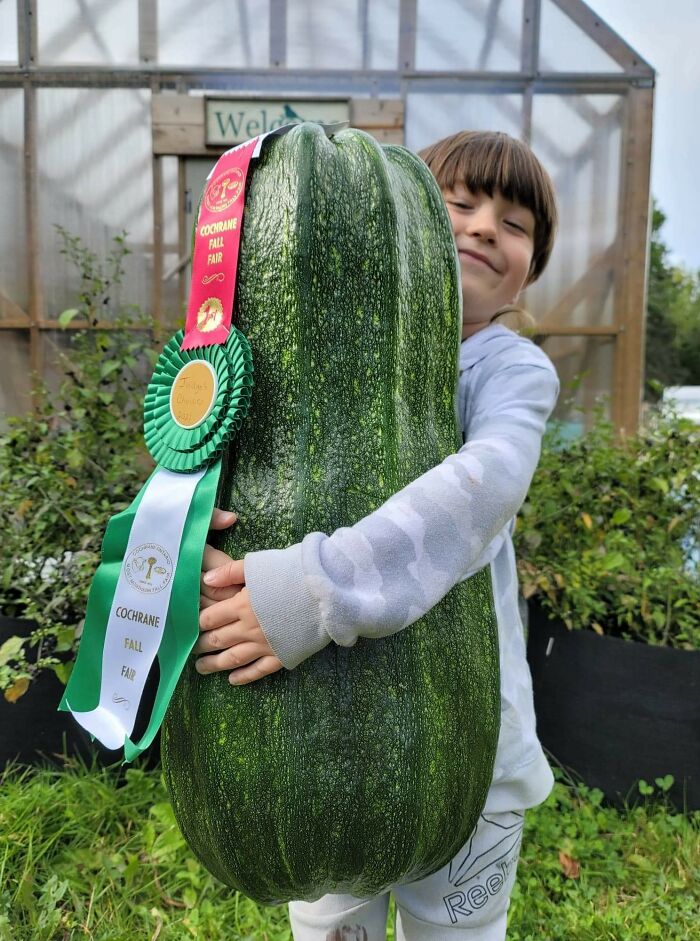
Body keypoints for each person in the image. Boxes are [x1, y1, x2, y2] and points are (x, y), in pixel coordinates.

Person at [197, 129, 560, 941]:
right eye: (458, 204)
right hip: (312, 733)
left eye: (514, 223)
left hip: (468, 742)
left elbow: (489, 480)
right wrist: (187, 540)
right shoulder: (299, 355)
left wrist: (311, 591)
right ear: (400, 229)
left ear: (532, 265)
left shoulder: (509, 369)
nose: (482, 227)